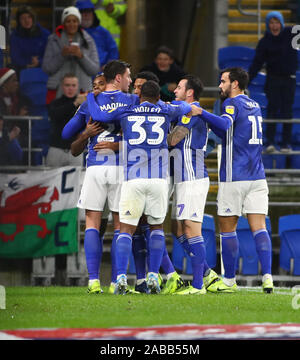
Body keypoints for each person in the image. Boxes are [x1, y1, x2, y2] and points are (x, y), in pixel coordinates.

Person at [87, 80, 201, 294]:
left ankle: (120, 278)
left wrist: (90, 98)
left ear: (141, 97)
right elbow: (187, 108)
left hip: (133, 178)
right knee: (157, 228)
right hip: (159, 179)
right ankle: (152, 278)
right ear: (158, 97)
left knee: (127, 229)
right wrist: (189, 109)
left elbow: (100, 116)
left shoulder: (127, 111)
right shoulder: (166, 109)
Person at [62, 60, 139, 294]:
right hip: (120, 168)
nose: (130, 80)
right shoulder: (133, 100)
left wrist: (86, 129)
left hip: (95, 167)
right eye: (128, 76)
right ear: (117, 78)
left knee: (93, 224)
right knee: (119, 226)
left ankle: (93, 281)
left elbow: (66, 133)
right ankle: (117, 281)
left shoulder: (90, 101)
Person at [196, 67, 273, 294]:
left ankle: (229, 281)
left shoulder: (231, 104)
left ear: (235, 84)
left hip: (234, 176)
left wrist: (201, 113)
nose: (220, 86)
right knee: (259, 227)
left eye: (223, 81)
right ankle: (267, 277)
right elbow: (232, 132)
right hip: (258, 177)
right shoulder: (255, 105)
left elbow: (224, 125)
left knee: (227, 228)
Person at [248, 10, 298, 153]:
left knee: (287, 111)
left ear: (281, 23)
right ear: (267, 24)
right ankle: (270, 142)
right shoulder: (264, 42)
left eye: (277, 22)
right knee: (272, 110)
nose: (274, 25)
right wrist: (246, 81)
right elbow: (256, 64)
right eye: (271, 22)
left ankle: (285, 143)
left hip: (289, 80)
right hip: (273, 80)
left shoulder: (291, 33)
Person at [42, 6, 100, 104]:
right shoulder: (53, 40)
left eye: (74, 21)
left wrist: (81, 56)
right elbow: (47, 68)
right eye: (68, 21)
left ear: (79, 22)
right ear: (63, 23)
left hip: (82, 90)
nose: (72, 24)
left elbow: (94, 70)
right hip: (57, 91)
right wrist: (62, 55)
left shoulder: (88, 40)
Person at [46, 73, 87, 166]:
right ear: (62, 86)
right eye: (67, 85)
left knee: (75, 180)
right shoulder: (55, 103)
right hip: (56, 149)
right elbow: (55, 115)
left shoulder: (84, 105)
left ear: (78, 87)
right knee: (52, 180)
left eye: (73, 85)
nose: (70, 88)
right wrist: (75, 103)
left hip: (75, 151)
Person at [76, 0, 119, 69]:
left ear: (93, 14)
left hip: (101, 73)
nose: (86, 15)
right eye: (82, 12)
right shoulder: (73, 33)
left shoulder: (103, 32)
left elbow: (113, 51)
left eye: (88, 11)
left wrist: (109, 66)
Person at [9, 6, 50, 75]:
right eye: (23, 18)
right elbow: (15, 57)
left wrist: (39, 62)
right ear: (19, 21)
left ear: (33, 19)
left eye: (29, 17)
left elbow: (50, 55)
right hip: (21, 69)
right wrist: (28, 63)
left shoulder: (45, 34)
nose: (27, 20)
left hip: (43, 68)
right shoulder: (15, 36)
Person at [0, 67, 31, 151]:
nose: (17, 83)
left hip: (20, 136)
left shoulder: (23, 101)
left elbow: (28, 125)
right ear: (4, 83)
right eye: (14, 81)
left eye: (17, 80)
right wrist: (18, 117)